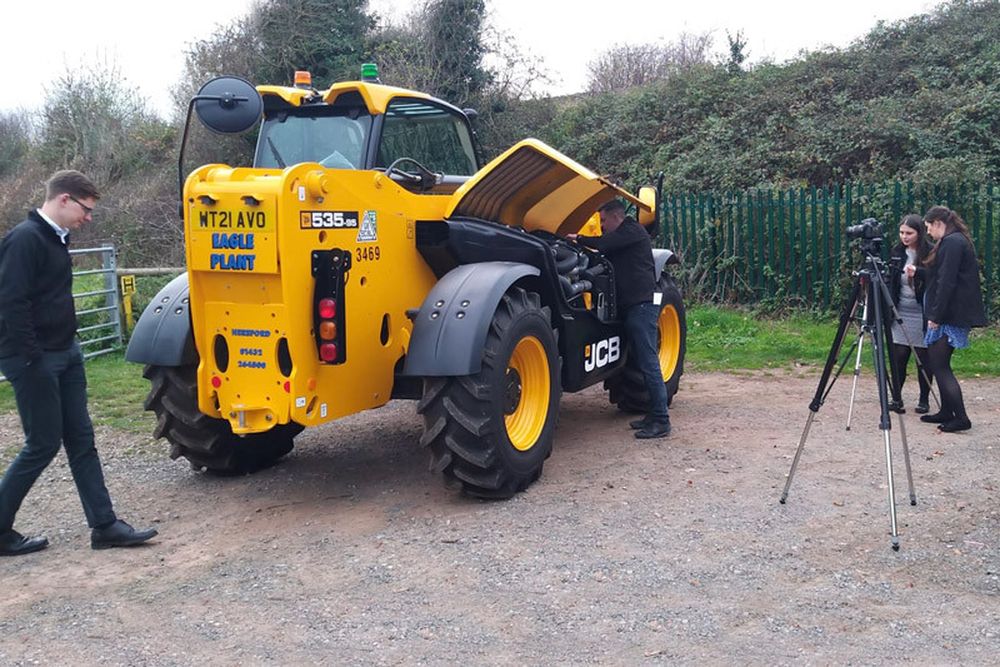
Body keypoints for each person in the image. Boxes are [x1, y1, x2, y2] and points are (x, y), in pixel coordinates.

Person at [0, 170, 158, 556]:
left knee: (82, 440)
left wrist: (67, 347)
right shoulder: (25, 239)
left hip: (66, 352)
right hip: (34, 359)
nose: (88, 218)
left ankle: (104, 526)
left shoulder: (57, 238)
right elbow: (10, 302)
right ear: (64, 200)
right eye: (85, 209)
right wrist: (32, 358)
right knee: (42, 443)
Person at [572, 199, 670, 439]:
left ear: (616, 216)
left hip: (641, 307)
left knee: (648, 362)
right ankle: (652, 414)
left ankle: (661, 420)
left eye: (603, 220)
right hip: (633, 308)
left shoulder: (632, 231)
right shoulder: (626, 235)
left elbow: (605, 244)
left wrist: (578, 239)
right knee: (641, 359)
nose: (602, 225)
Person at [905, 205, 987, 433]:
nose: (928, 232)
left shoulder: (952, 242)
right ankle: (947, 411)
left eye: (929, 227)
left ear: (939, 223)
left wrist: (936, 316)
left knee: (940, 365)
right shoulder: (954, 240)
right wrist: (919, 272)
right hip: (949, 313)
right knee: (936, 362)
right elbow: (940, 274)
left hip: (949, 316)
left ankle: (960, 417)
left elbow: (947, 282)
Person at [888, 214, 933, 413]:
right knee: (899, 354)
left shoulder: (931, 252)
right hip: (900, 309)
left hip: (922, 311)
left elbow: (937, 277)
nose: (904, 237)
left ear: (919, 233)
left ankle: (924, 399)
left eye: (909, 233)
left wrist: (919, 272)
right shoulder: (897, 252)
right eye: (901, 232)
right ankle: (896, 398)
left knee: (923, 356)